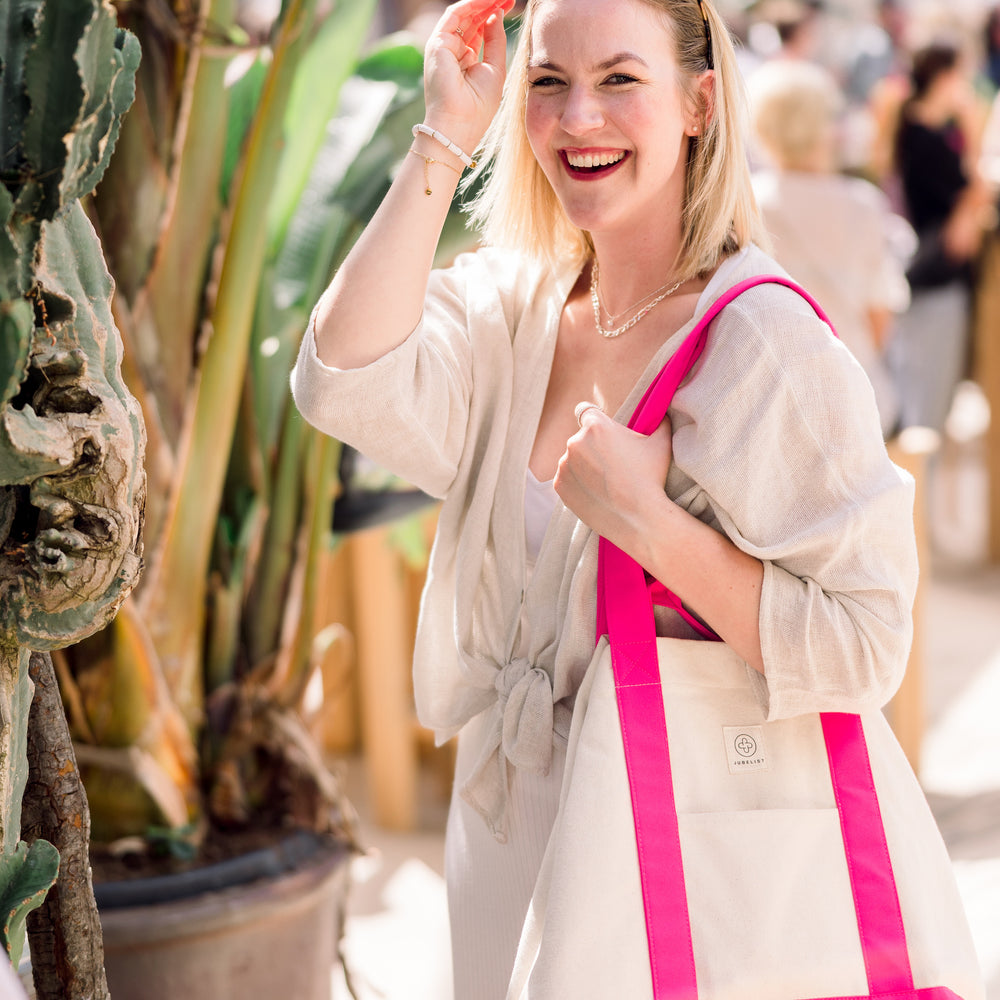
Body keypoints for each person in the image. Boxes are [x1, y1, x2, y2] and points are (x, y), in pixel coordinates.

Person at [291, 0, 973, 995]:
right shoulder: (513, 309)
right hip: (508, 839)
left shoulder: (760, 347)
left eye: (618, 80)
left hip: (681, 870)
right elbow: (338, 377)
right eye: (547, 83)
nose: (577, 119)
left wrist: (650, 527)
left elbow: (866, 642)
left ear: (699, 101)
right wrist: (445, 131)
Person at [749, 58, 911, 437]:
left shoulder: (746, 202)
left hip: (770, 406)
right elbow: (879, 320)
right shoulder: (862, 205)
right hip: (854, 400)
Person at [888, 39, 992, 432]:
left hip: (930, 276)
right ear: (944, 77)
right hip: (935, 280)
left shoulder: (921, 128)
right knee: (927, 410)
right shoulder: (924, 135)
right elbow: (963, 216)